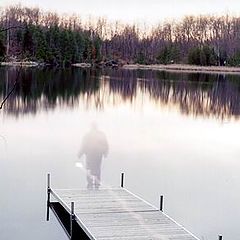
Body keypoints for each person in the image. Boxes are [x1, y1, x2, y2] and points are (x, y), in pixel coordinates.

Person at [78, 123, 108, 189]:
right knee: (97, 168)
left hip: (91, 154)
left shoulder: (88, 135)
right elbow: (105, 144)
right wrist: (105, 152)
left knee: (89, 168)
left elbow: (84, 145)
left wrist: (80, 154)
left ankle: (90, 182)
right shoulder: (100, 134)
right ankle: (96, 182)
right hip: (97, 154)